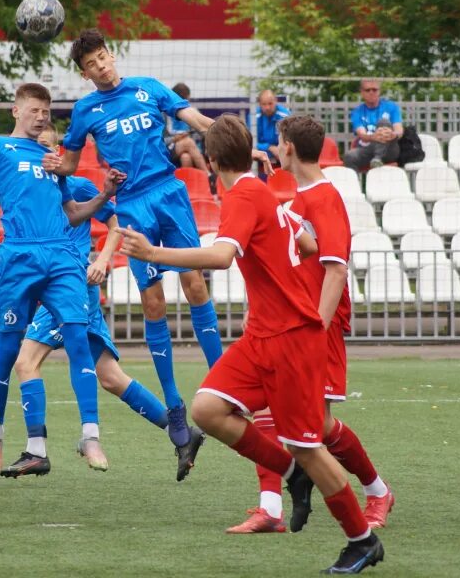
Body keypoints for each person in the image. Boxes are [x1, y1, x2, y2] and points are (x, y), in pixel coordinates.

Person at [118, 114, 385, 575]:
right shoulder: (263, 191)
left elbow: (222, 257)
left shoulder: (245, 193)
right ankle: (290, 475)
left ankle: (362, 540)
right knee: (206, 410)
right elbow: (302, 243)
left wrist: (154, 254)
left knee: (309, 444)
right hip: (264, 334)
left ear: (212, 160)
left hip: (289, 340)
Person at [42, 28, 222, 481]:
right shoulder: (85, 112)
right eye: (91, 65)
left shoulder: (147, 87)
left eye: (103, 58)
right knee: (153, 300)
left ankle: (223, 378)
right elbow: (68, 163)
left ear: (112, 55)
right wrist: (50, 161)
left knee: (195, 281)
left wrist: (226, 135)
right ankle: (175, 408)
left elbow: (192, 117)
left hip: (168, 192)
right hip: (132, 205)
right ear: (84, 75)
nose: (101, 67)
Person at [0, 82, 125, 478]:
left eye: (46, 110)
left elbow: (73, 214)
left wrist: (104, 194)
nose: (42, 116)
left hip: (61, 255)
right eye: (35, 109)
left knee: (78, 338)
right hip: (20, 255)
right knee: (9, 344)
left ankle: (89, 435)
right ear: (16, 110)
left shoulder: (52, 158)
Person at [227, 115, 393, 535]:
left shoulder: (324, 198)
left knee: (315, 428)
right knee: (268, 411)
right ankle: (271, 509)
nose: (274, 146)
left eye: (277, 141)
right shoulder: (295, 197)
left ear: (288, 148)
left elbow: (335, 270)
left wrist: (315, 328)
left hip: (319, 326)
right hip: (289, 327)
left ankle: (377, 492)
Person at [1, 123, 179, 479]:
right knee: (111, 377)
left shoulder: (76, 186)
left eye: (47, 147)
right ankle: (180, 432)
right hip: (63, 290)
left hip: (74, 289)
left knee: (25, 363)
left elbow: (116, 222)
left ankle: (37, 449)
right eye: (34, 146)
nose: (40, 153)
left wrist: (102, 260)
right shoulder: (24, 186)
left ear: (60, 151)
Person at [343, 79, 403, 171]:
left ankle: (378, 158)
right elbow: (362, 135)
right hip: (368, 149)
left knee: (384, 122)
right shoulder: (357, 112)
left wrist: (393, 135)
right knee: (349, 156)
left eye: (374, 90)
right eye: (368, 90)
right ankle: (355, 185)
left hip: (389, 149)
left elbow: (399, 130)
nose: (371, 92)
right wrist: (374, 137)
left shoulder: (391, 107)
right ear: (362, 92)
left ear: (379, 91)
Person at [165, 82, 208, 172]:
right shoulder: (165, 114)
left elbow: (201, 134)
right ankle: (208, 175)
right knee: (188, 142)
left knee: (186, 157)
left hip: (192, 148)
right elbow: (161, 140)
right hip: (170, 148)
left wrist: (191, 134)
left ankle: (188, 184)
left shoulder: (192, 111)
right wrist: (175, 139)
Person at [254, 89, 289, 167]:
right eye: (264, 104)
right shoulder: (254, 117)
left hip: (282, 157)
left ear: (276, 101)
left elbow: (291, 141)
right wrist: (269, 147)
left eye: (270, 103)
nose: (267, 107)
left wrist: (280, 150)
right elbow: (249, 143)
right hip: (260, 158)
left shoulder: (285, 116)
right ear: (259, 104)